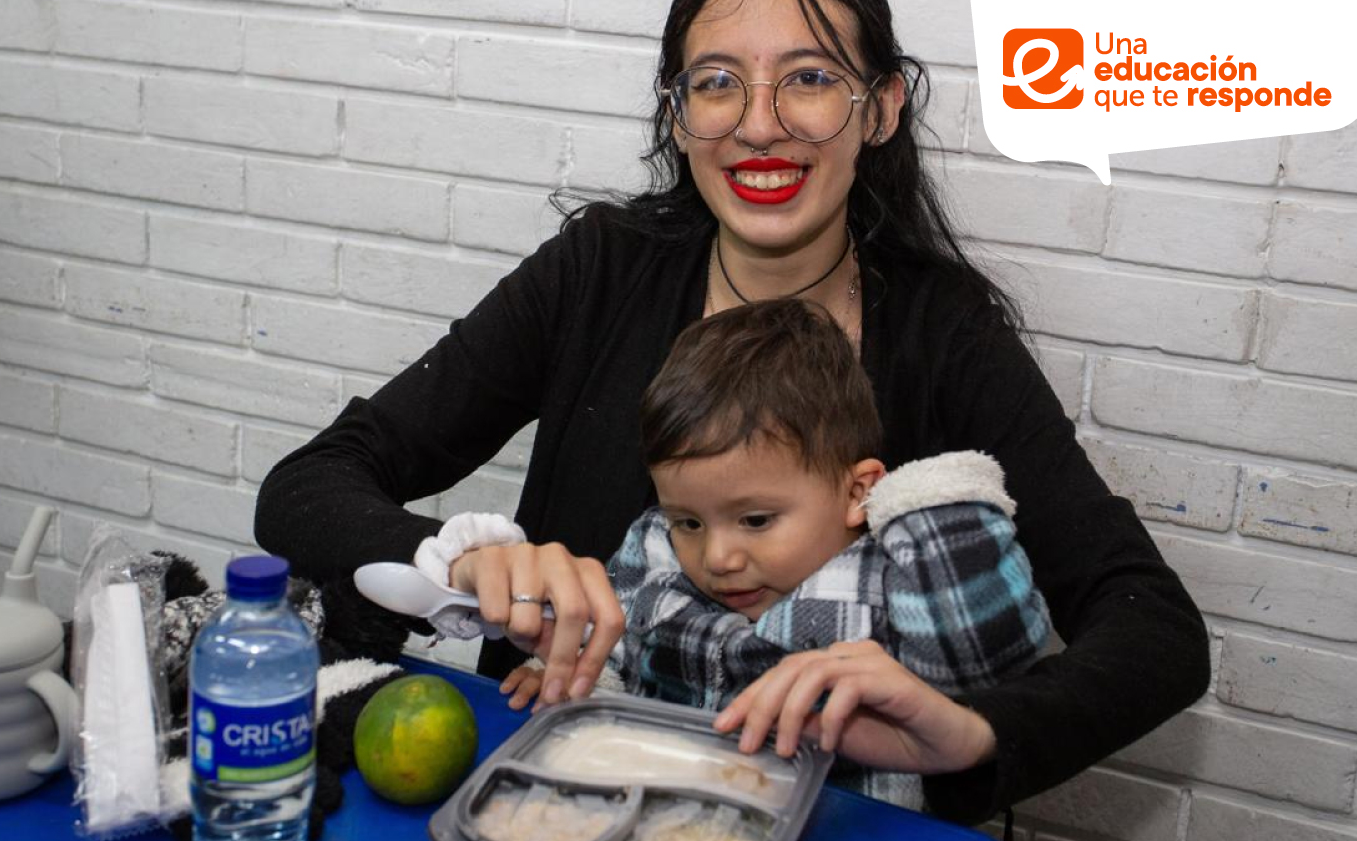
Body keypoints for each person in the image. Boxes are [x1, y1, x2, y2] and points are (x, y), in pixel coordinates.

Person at [254, 0, 1209, 824]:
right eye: (716, 82)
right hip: (559, 792)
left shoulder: (941, 333)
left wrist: (972, 735)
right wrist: (459, 557)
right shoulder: (598, 272)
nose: (759, 126)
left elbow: (1155, 630)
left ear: (880, 108)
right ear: (677, 114)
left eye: (809, 78)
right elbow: (307, 487)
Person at [496, 299, 1052, 811]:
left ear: (859, 492)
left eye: (756, 520)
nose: (718, 557)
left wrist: (922, 502)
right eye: (688, 520)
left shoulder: (898, 580)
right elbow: (616, 646)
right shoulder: (657, 548)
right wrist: (570, 675)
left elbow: (984, 650)